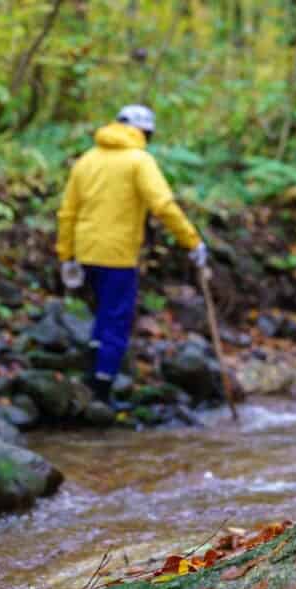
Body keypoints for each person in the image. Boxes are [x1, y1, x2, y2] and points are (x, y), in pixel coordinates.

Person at [57, 104, 208, 402]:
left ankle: (92, 376)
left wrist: (66, 255)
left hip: (85, 252)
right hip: (118, 255)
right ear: (145, 132)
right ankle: (102, 388)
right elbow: (163, 206)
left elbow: (67, 212)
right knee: (116, 318)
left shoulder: (87, 160)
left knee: (102, 312)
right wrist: (193, 242)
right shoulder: (139, 161)